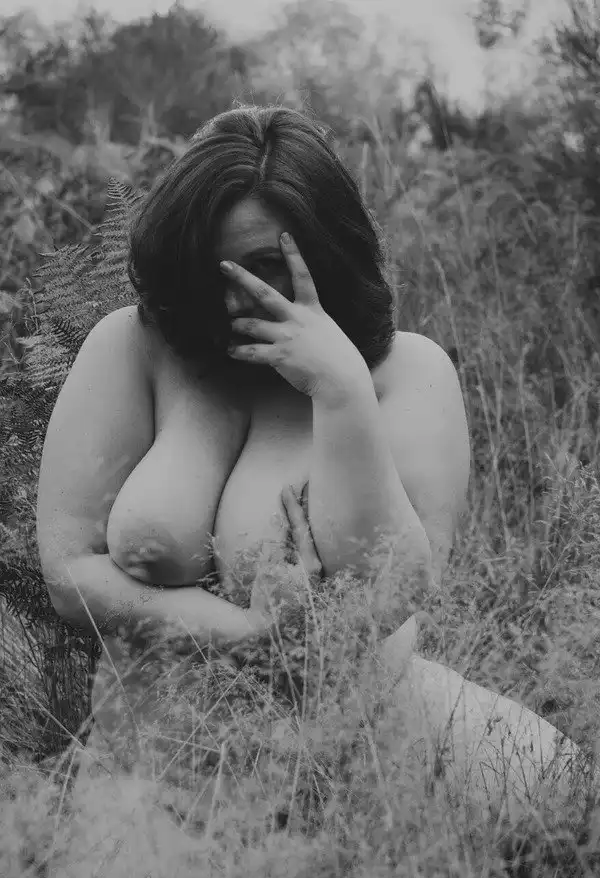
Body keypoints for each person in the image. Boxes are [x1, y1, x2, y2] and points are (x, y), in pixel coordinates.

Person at [36, 105, 588, 822]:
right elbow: (67, 573)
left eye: (264, 267)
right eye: (212, 268)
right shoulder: (133, 347)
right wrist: (238, 632)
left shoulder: (407, 373)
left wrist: (342, 389)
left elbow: (396, 588)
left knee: (573, 808)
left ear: (326, 252)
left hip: (363, 781)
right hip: (150, 778)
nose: (233, 297)